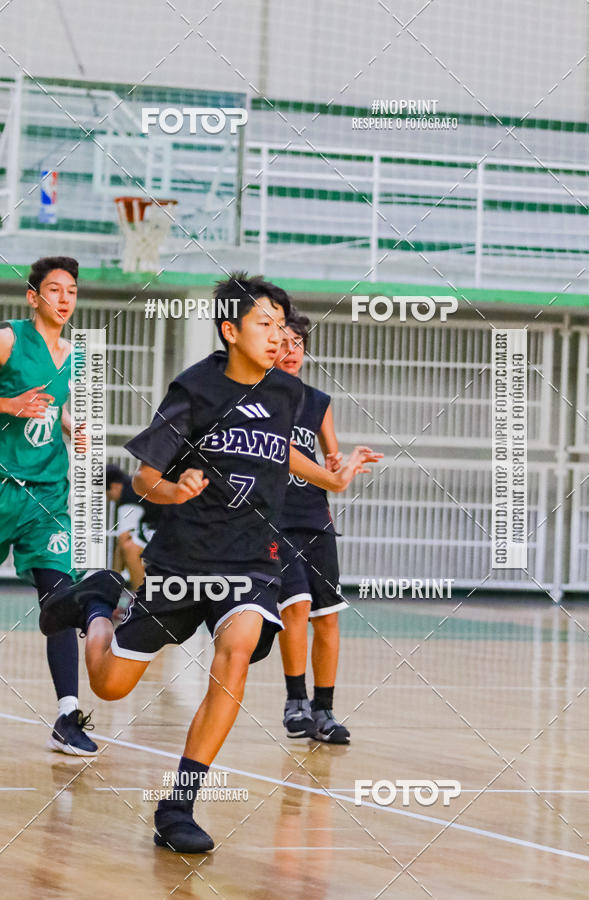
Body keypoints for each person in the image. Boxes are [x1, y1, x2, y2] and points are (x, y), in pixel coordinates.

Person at [39, 272, 382, 854]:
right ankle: (96, 604)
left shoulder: (288, 393)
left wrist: (334, 478)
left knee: (237, 649)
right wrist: (175, 490)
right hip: (181, 560)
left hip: (251, 560)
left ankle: (178, 806)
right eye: (264, 324)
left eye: (282, 326)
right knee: (109, 685)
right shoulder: (194, 389)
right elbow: (145, 477)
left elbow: (284, 450)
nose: (278, 336)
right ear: (230, 330)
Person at [0, 256, 97, 755]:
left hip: (47, 496)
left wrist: (71, 428)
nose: (65, 298)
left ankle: (67, 715)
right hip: (2, 484)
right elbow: (20, 403)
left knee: (61, 598)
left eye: (72, 291)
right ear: (33, 297)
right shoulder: (8, 339)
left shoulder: (75, 356)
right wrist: (8, 405)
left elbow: (55, 407)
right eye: (55, 289)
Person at [274, 307, 350, 743]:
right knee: (296, 604)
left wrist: (338, 462)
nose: (290, 351)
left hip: (315, 518)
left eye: (297, 344)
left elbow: (331, 456)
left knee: (327, 615)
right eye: (282, 343)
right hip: (274, 521)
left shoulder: (318, 402)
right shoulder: (257, 398)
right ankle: (295, 702)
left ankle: (324, 710)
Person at [105, 463, 162, 589]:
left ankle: (140, 595)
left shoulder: (128, 496)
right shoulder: (134, 485)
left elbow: (124, 538)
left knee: (129, 547)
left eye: (107, 493)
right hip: (166, 527)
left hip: (165, 531)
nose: (108, 498)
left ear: (114, 486)